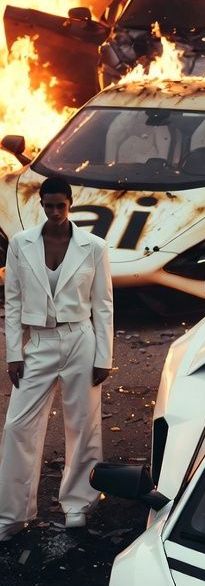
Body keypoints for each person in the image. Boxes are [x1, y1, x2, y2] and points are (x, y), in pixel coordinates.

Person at [0, 177, 113, 543]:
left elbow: (103, 305)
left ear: (70, 203)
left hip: (80, 339)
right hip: (39, 343)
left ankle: (78, 503)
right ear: (42, 205)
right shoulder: (21, 244)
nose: (53, 211)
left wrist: (104, 356)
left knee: (82, 424)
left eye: (59, 205)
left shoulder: (93, 247)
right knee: (18, 426)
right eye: (47, 205)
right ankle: (13, 514)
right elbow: (13, 300)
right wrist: (14, 353)